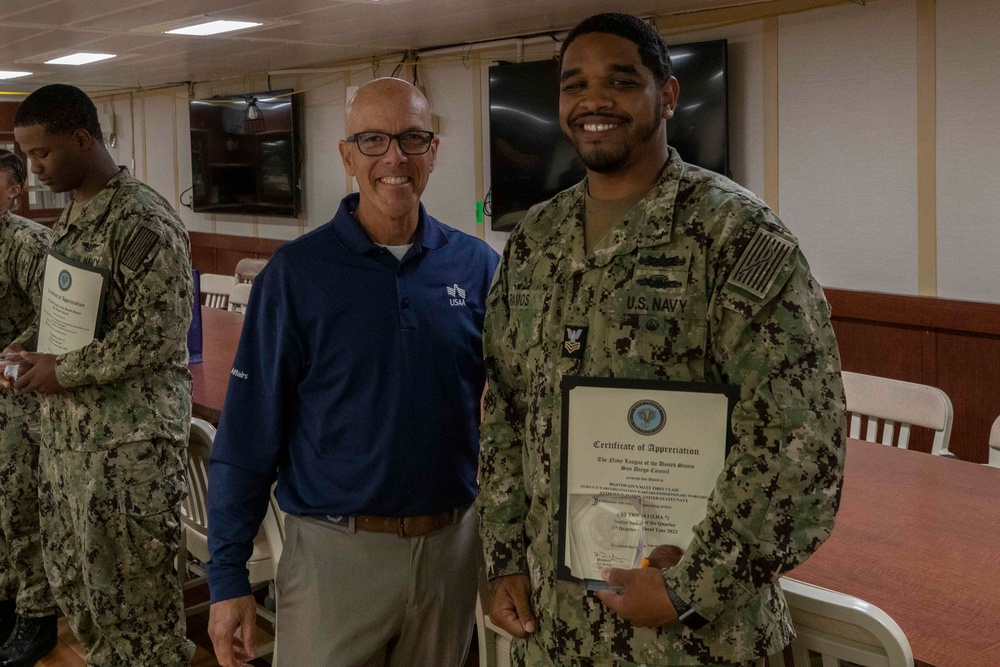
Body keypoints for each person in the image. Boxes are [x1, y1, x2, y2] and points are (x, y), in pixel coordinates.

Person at [477, 13, 846, 667]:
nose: (593, 100)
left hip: (691, 641)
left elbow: (798, 454)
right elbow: (505, 406)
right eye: (574, 85)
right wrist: (505, 554)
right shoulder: (534, 240)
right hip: (555, 629)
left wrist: (687, 589)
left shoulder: (736, 236)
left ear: (667, 96)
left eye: (620, 81)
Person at [206, 77, 500, 667]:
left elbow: (513, 416)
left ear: (434, 151)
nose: (395, 156)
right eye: (373, 140)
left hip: (451, 549)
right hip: (334, 556)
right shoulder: (296, 275)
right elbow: (247, 434)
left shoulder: (477, 267)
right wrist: (227, 576)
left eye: (412, 138)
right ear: (347, 156)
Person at [6, 84, 195, 666]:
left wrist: (63, 369)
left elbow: (159, 332)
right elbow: (76, 317)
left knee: (138, 614)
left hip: (126, 451)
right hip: (72, 446)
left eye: (41, 154)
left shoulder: (141, 218)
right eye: (27, 155)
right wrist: (28, 346)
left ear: (82, 139)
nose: (33, 168)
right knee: (85, 598)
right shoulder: (76, 213)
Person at [0, 150, 58, 667]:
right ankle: (6, 601)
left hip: (19, 402)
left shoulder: (29, 242)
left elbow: (54, 324)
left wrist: (2, 363)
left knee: (22, 510)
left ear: (15, 189)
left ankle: (37, 617)